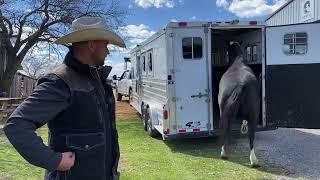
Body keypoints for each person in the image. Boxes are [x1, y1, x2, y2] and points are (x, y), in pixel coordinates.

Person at [3, 16, 126, 180]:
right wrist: (55, 161)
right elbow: (16, 125)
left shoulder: (97, 80)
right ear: (91, 45)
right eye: (105, 44)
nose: (108, 50)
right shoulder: (60, 82)